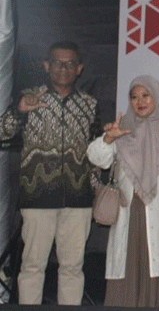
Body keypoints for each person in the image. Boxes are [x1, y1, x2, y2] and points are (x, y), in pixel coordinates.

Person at [0, 41, 100, 305]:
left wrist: (94, 191)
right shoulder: (30, 98)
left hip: (78, 199)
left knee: (73, 268)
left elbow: (95, 152)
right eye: (57, 62)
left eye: (69, 63)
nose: (63, 68)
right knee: (32, 266)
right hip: (37, 196)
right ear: (46, 66)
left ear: (79, 69)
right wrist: (19, 111)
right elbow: (3, 132)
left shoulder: (89, 104)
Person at [86, 75, 159, 307]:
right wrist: (108, 138)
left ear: (157, 98)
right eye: (134, 97)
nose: (139, 102)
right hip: (129, 213)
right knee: (128, 272)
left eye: (146, 95)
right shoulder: (123, 131)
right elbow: (97, 158)